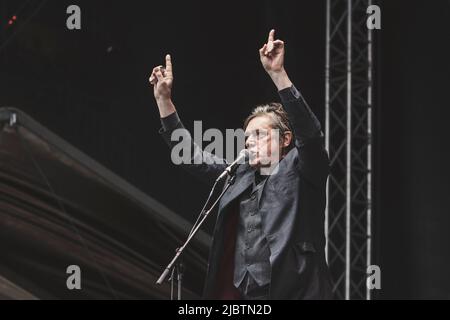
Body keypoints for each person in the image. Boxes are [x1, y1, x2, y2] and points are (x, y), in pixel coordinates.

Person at [150, 30, 333, 300]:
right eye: (247, 137)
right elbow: (191, 156)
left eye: (260, 135)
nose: (250, 142)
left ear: (285, 140)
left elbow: (311, 135)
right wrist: (164, 101)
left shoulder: (301, 169)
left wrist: (277, 74)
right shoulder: (239, 174)